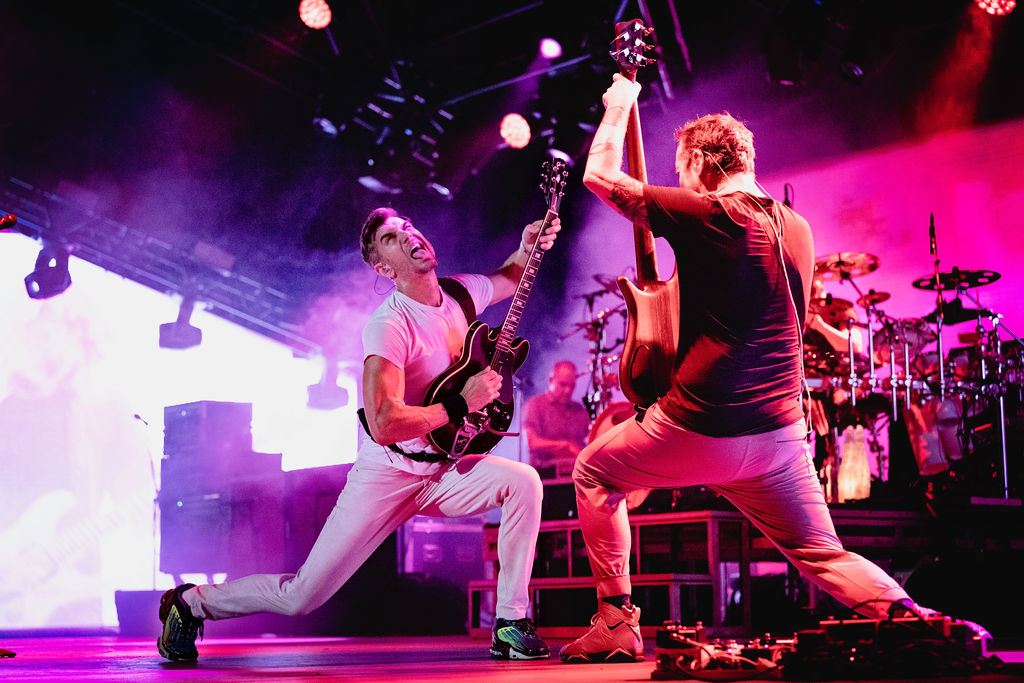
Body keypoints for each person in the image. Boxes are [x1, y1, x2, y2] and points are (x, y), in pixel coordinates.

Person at [558, 73, 986, 664]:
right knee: (823, 554)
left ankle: (615, 623)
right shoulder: (797, 227)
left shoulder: (714, 214)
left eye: (683, 171)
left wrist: (618, 103)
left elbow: (601, 177)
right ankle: (921, 622)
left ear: (700, 161)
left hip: (701, 424)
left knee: (594, 472)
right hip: (780, 438)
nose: (683, 183)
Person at [157, 207, 561, 662]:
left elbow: (510, 277)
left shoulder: (459, 293)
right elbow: (384, 423)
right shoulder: (389, 325)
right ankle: (191, 603)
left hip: (442, 471)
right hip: (388, 472)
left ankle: (509, 621)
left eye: (407, 226)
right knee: (300, 596)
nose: (408, 234)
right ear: (384, 269)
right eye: (391, 237)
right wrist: (459, 404)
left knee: (523, 481)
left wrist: (528, 245)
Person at [522, 360, 590, 479]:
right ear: (551, 380)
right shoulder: (536, 404)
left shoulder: (579, 409)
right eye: (563, 384)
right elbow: (531, 441)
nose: (568, 390)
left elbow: (589, 440)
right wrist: (566, 445)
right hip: (544, 477)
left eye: (572, 385)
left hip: (576, 476)